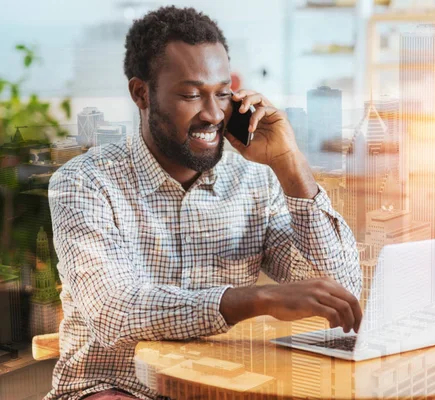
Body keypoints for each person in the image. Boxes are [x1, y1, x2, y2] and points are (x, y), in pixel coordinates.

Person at [45, 6, 362, 400]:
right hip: (114, 387)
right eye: (192, 95)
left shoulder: (255, 179)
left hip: (220, 386)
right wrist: (255, 298)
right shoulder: (84, 182)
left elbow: (339, 287)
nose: (213, 114)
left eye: (223, 93)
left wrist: (291, 166)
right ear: (141, 93)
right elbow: (115, 310)